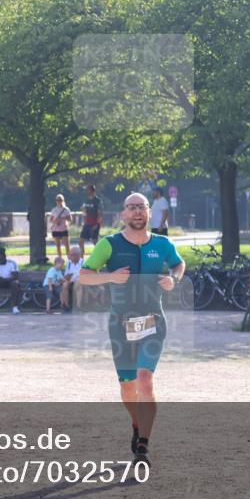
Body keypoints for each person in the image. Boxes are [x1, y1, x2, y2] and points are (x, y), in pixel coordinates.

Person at [78, 193, 185, 469]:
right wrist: (110, 276)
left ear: (149, 213)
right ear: (123, 214)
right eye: (131, 207)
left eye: (142, 207)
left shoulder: (163, 244)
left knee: (144, 378)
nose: (137, 212)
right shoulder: (109, 245)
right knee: (127, 387)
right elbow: (85, 275)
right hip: (120, 325)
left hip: (153, 322)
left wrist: (173, 278)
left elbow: (178, 263)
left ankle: (143, 445)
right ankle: (137, 423)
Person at [78, 184, 104, 255]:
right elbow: (83, 210)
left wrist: (97, 224)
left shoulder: (97, 200)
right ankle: (81, 260)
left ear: (92, 190)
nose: (87, 191)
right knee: (80, 241)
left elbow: (100, 213)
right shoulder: (86, 200)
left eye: (88, 189)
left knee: (95, 242)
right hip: (87, 224)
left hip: (94, 224)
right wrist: (83, 211)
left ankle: (100, 256)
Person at [49, 194, 72, 258]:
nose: (59, 201)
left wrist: (63, 218)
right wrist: (55, 220)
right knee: (58, 246)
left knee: (67, 246)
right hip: (56, 229)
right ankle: (60, 259)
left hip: (64, 229)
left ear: (63, 200)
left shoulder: (66, 209)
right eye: (57, 200)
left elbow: (70, 219)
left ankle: (69, 260)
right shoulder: (54, 210)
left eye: (60, 200)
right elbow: (50, 220)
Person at [61, 246, 83, 311]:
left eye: (73, 255)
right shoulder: (69, 263)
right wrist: (67, 278)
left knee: (78, 284)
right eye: (70, 255)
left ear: (78, 255)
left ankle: (78, 306)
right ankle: (66, 306)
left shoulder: (83, 263)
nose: (71, 257)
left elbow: (86, 275)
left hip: (80, 281)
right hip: (70, 280)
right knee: (65, 285)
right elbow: (66, 275)